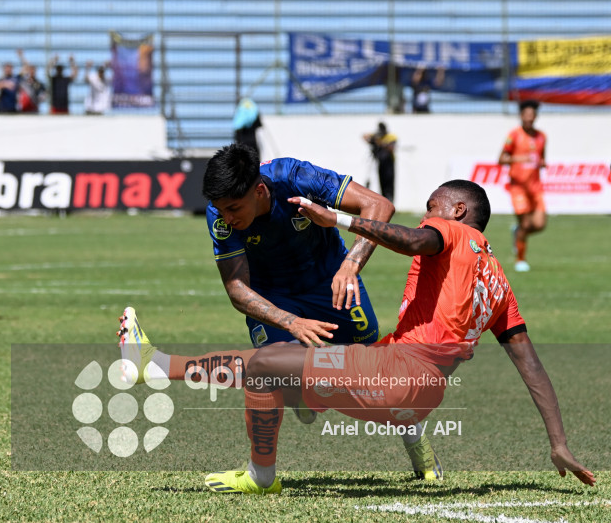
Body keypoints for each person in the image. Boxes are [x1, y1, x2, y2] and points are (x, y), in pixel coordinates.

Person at [117, 179, 596, 494]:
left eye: (432, 208)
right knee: (287, 368)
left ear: (458, 209)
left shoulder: (454, 233)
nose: (426, 216)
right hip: (419, 393)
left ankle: (258, 472)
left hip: (396, 378)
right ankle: (157, 365)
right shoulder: (499, 284)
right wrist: (558, 443)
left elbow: (415, 239)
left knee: (266, 364)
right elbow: (532, 366)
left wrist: (340, 220)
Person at [196, 143, 443, 479]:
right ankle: (262, 469)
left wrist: (351, 265)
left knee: (378, 376)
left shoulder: (297, 177)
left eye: (233, 208)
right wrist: (290, 322)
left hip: (331, 283)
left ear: (259, 191)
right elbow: (237, 288)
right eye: (220, 209)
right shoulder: (220, 214)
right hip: (274, 297)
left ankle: (418, 447)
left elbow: (379, 205)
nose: (226, 218)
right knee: (271, 367)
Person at [499, 100, 547, 273]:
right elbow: (501, 159)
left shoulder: (541, 136)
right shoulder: (514, 135)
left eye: (532, 115)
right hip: (518, 187)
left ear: (535, 117)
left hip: (535, 187)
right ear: (521, 116)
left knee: (540, 224)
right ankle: (520, 259)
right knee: (526, 224)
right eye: (526, 115)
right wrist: (519, 159)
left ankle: (517, 232)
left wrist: (542, 162)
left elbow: (542, 158)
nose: (529, 118)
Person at [362, 122, 397, 203]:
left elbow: (392, 148)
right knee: (382, 184)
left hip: (389, 165)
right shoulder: (377, 137)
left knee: (389, 185)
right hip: (381, 164)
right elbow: (364, 136)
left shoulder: (390, 137)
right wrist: (374, 137)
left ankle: (390, 201)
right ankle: (384, 201)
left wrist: (381, 143)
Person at [16, 49, 47, 114]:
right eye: (30, 70)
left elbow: (45, 93)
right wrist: (21, 56)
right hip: (23, 110)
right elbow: (25, 65)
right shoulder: (23, 81)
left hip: (34, 110)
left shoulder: (39, 83)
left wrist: (39, 99)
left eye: (33, 70)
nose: (32, 72)